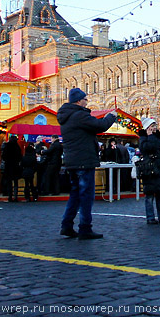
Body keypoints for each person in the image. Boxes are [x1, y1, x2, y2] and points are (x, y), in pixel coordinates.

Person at [58, 88, 117, 240]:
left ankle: (67, 225)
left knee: (76, 194)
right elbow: (100, 126)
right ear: (78, 101)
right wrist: (111, 116)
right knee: (86, 196)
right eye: (85, 99)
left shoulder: (66, 116)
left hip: (72, 162)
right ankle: (85, 228)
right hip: (83, 161)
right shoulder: (79, 115)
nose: (87, 101)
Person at [138, 118, 160, 225]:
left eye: (155, 126)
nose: (154, 128)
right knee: (149, 195)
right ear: (147, 127)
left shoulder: (158, 137)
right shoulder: (144, 137)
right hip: (150, 170)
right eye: (152, 126)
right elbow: (147, 148)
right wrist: (150, 136)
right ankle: (150, 217)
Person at [2, 134, 23, 202]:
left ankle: (10, 196)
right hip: (15, 166)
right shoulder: (17, 147)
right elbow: (20, 156)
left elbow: (3, 156)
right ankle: (16, 196)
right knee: (16, 182)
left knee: (9, 182)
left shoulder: (7, 146)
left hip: (8, 166)